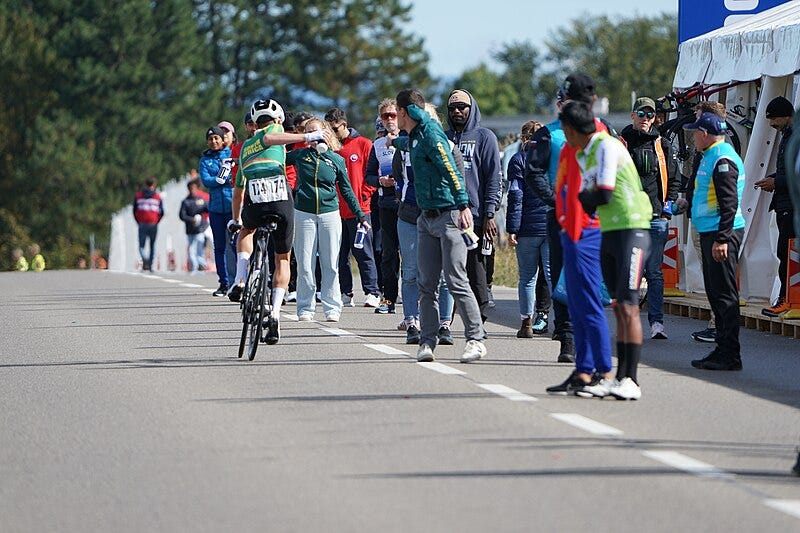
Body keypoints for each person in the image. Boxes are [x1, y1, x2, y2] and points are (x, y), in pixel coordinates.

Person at [562, 101, 653, 400]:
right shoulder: (584, 152)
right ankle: (618, 376)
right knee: (617, 306)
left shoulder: (605, 146)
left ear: (575, 129)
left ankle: (632, 380)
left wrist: (581, 197)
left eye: (565, 129)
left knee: (629, 306)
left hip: (632, 227)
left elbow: (601, 192)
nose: (564, 135)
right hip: (610, 230)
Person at [391, 88, 486, 364]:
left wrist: (463, 205)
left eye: (397, 112)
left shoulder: (431, 134)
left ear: (405, 112)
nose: (395, 117)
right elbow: (405, 144)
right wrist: (392, 142)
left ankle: (475, 339)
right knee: (426, 284)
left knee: (456, 280)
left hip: (449, 216)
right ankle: (427, 341)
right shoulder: (416, 137)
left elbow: (451, 170)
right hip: (426, 218)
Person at [226, 99, 328, 343]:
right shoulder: (274, 131)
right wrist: (307, 137)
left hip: (255, 202)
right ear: (279, 120)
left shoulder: (245, 147)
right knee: (282, 257)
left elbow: (238, 192)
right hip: (280, 199)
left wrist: (235, 219)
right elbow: (271, 139)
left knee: (246, 231)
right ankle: (274, 312)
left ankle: (240, 278)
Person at [543, 74, 617, 395]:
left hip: (590, 228)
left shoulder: (599, 138)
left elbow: (603, 190)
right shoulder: (568, 135)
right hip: (569, 226)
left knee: (588, 303)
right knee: (577, 303)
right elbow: (562, 182)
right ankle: (584, 370)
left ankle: (602, 370)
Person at [390, 102, 462, 345]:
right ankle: (411, 321)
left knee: (441, 276)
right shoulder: (407, 147)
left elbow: (457, 180)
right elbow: (399, 178)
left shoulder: (449, 147)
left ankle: (444, 324)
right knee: (410, 272)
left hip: (440, 215)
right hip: (410, 215)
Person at [288, 118, 371, 322]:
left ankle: (332, 306)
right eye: (309, 133)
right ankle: (305, 307)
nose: (314, 137)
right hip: (304, 213)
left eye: (316, 132)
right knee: (305, 263)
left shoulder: (336, 159)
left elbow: (346, 189)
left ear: (326, 133)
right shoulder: (300, 155)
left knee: (331, 262)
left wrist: (360, 215)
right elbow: (278, 156)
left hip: (329, 214)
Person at [683, 112, 746, 371]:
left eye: (695, 133)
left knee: (724, 296)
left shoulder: (722, 158)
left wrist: (722, 239)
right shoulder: (710, 155)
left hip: (722, 234)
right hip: (711, 231)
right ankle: (721, 349)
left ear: (705, 134)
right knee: (715, 293)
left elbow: (729, 202)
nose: (693, 138)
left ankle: (730, 354)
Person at [620, 96, 680, 340]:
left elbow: (675, 179)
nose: (646, 119)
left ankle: (657, 323)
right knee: (630, 272)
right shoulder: (621, 143)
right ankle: (630, 321)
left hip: (656, 218)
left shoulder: (662, 144)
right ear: (633, 115)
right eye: (641, 114)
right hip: (629, 218)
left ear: (656, 118)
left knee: (654, 272)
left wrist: (667, 210)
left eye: (650, 115)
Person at [445, 89, 503, 323]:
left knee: (476, 267)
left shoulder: (484, 136)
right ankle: (444, 320)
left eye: (462, 107)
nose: (457, 111)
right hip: (448, 214)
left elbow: (493, 177)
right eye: (452, 108)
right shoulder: (443, 137)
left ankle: (479, 317)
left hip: (476, 215)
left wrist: (490, 213)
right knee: (447, 269)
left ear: (472, 109)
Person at [324, 107, 381, 308]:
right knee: (339, 255)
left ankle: (372, 291)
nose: (332, 134)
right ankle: (345, 291)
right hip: (336, 210)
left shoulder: (364, 144)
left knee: (363, 252)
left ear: (344, 125)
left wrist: (365, 195)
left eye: (335, 129)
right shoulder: (330, 148)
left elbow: (373, 174)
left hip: (360, 210)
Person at [506, 120, 551, 338]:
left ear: (524, 138)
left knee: (527, 277)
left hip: (527, 228)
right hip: (550, 225)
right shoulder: (552, 160)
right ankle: (561, 322)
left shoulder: (518, 160)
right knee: (553, 275)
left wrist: (512, 228)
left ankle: (526, 321)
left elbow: (515, 196)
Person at [755, 96, 795, 317]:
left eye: (774, 119)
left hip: (790, 204)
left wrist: (776, 182)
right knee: (788, 253)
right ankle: (790, 298)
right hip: (785, 202)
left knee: (786, 253)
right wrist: (773, 178)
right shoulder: (788, 136)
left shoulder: (794, 137)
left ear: (786, 116)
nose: (772, 125)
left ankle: (786, 299)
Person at [366, 100, 401, 314]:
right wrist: (381, 181)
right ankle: (388, 298)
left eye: (392, 115)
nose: (389, 120)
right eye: (385, 116)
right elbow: (369, 175)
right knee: (387, 254)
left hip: (409, 204)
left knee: (412, 254)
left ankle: (415, 298)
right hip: (386, 204)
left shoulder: (411, 140)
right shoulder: (377, 145)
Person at [199, 125, 234, 296]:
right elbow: (206, 180)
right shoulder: (205, 159)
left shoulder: (231, 154)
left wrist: (226, 178)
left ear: (222, 140)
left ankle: (239, 281)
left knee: (236, 245)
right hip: (215, 209)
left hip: (232, 206)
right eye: (210, 139)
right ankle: (224, 283)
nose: (213, 142)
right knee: (219, 246)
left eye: (216, 138)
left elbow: (236, 175)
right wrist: (217, 179)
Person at [132, 176, 164, 271]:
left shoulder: (138, 196)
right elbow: (162, 212)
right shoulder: (157, 197)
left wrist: (138, 221)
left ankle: (145, 260)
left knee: (141, 246)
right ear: (154, 185)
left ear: (145, 184)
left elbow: (134, 211)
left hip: (142, 223)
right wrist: (156, 221)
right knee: (152, 245)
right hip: (153, 224)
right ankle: (150, 264)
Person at [179, 178, 209, 273]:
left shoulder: (201, 200)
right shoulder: (186, 201)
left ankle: (202, 264)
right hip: (190, 229)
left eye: (194, 188)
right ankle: (194, 266)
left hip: (200, 229)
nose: (193, 190)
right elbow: (182, 215)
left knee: (199, 247)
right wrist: (191, 219)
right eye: (191, 188)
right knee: (192, 249)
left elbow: (207, 209)